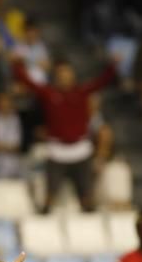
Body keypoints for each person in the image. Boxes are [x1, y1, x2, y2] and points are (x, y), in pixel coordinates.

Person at [12, 55, 116, 212]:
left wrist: (112, 66)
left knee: (87, 199)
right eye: (60, 74)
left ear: (73, 75)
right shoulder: (49, 93)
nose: (64, 77)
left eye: (67, 73)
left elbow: (102, 82)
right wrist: (17, 65)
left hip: (81, 151)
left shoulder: (82, 92)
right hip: (57, 153)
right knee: (49, 199)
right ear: (56, 76)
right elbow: (29, 83)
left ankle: (90, 230)